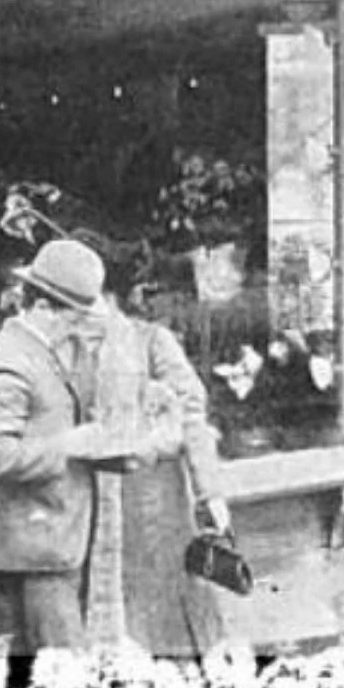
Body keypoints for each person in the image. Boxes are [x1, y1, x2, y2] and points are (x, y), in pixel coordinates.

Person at [0, 239, 114, 688]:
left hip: (53, 538)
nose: (78, 328)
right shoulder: (10, 361)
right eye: (73, 317)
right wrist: (68, 445)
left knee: (31, 667)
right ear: (44, 307)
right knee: (65, 674)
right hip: (34, 550)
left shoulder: (43, 349)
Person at [75, 230, 233, 662]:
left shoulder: (150, 341)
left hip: (152, 497)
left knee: (164, 600)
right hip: (90, 498)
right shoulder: (67, 348)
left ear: (107, 292)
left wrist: (210, 492)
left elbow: (192, 415)